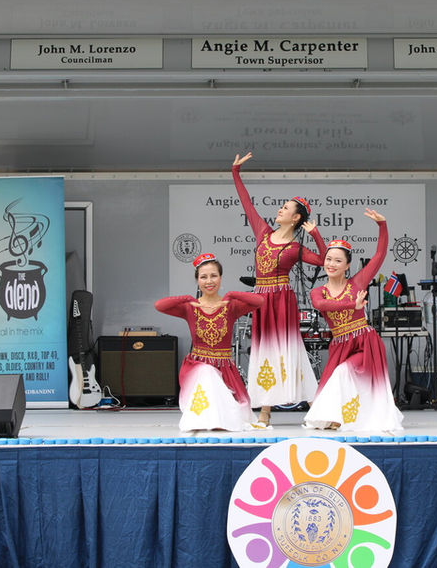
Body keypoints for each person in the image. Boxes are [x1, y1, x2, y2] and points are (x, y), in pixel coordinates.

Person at [232, 152, 327, 428]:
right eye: (282, 207)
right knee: (263, 353)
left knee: (290, 351)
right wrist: (235, 172)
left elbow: (323, 260)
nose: (280, 210)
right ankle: (264, 413)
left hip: (283, 301)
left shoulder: (296, 248)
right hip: (261, 300)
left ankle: (314, 409)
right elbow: (246, 203)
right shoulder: (262, 232)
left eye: (286, 208)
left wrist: (317, 235)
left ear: (296, 218)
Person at [304, 209, 404, 432]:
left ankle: (342, 418)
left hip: (364, 342)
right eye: (328, 259)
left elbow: (379, 256)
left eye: (338, 260)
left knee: (344, 373)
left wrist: (382, 225)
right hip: (340, 343)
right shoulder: (318, 291)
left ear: (347, 265)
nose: (331, 264)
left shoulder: (357, 283)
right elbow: (322, 306)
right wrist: (353, 305)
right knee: (338, 379)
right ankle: (341, 416)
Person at [155, 253, 264, 431]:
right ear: (197, 280)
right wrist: (188, 299)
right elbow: (160, 305)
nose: (209, 281)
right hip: (198, 366)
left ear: (221, 278)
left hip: (225, 367)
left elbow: (260, 301)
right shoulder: (189, 307)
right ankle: (211, 420)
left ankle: (221, 420)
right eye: (203, 277)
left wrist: (231, 294)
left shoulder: (231, 306)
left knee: (241, 414)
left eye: (214, 275)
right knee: (207, 372)